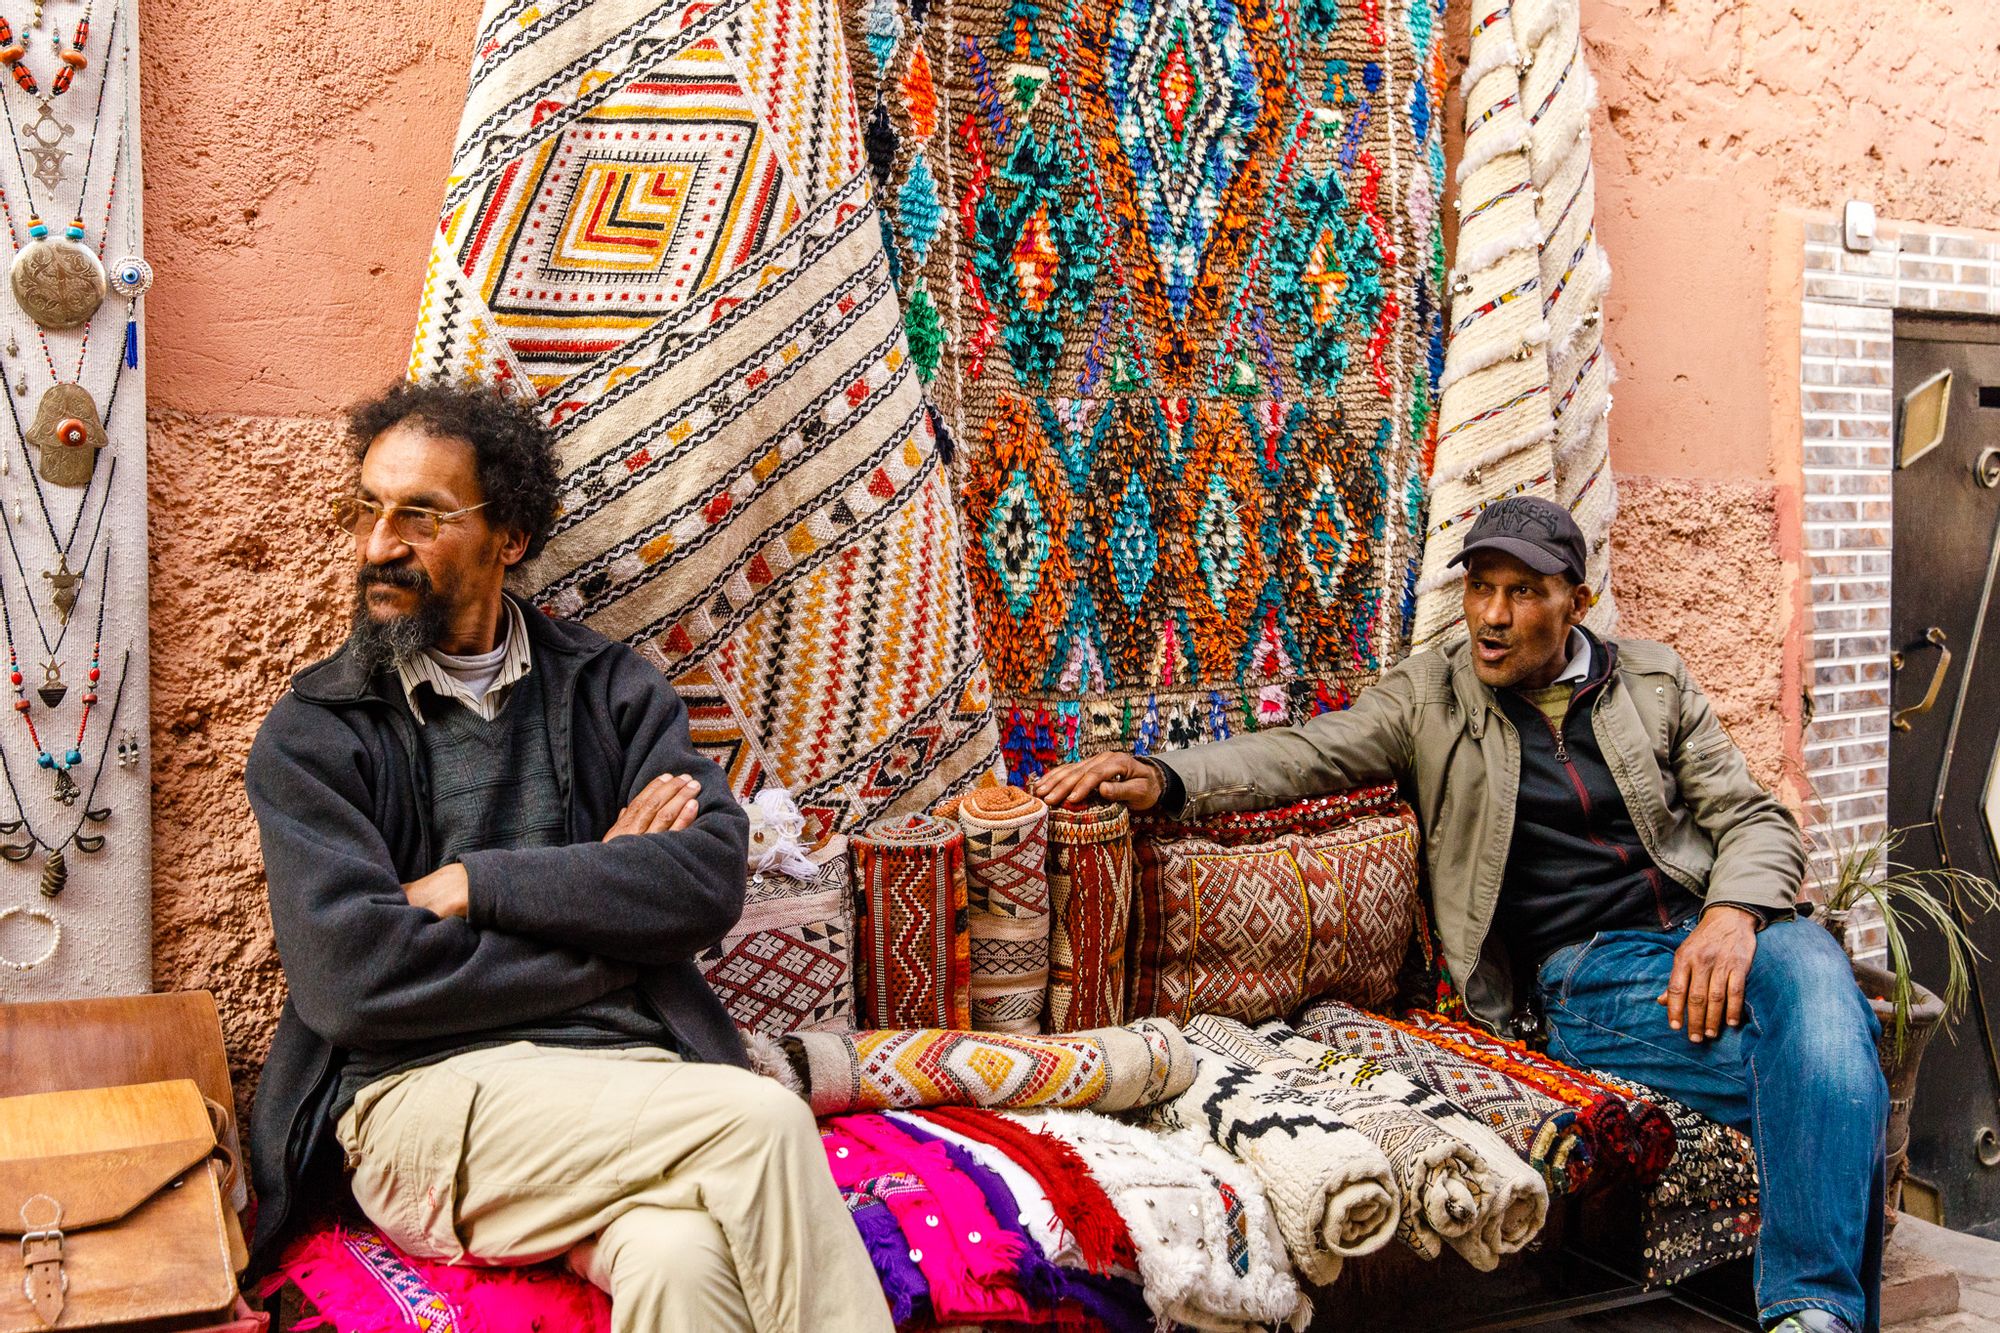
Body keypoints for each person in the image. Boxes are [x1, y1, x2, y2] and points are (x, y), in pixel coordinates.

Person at [1035, 495, 1886, 1333]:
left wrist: (1732, 913)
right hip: (1590, 976)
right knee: (1838, 1071)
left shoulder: (1654, 682)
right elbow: (1306, 751)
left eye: (1522, 592)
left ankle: (1811, 1317)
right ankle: (1819, 1312)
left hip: (1708, 942)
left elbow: (1753, 818)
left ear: (1575, 604)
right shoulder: (1431, 698)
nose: (1493, 614)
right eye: (1481, 587)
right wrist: (1168, 776)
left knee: (1811, 961)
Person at [244, 380, 892, 1333]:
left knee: (680, 1262)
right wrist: (610, 908)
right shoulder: (314, 735)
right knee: (758, 1122)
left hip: (629, 1083)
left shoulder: (610, 690)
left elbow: (707, 878)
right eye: (367, 508)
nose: (379, 543)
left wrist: (482, 885)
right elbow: (353, 982)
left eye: (420, 515)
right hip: (420, 1102)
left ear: (509, 536)